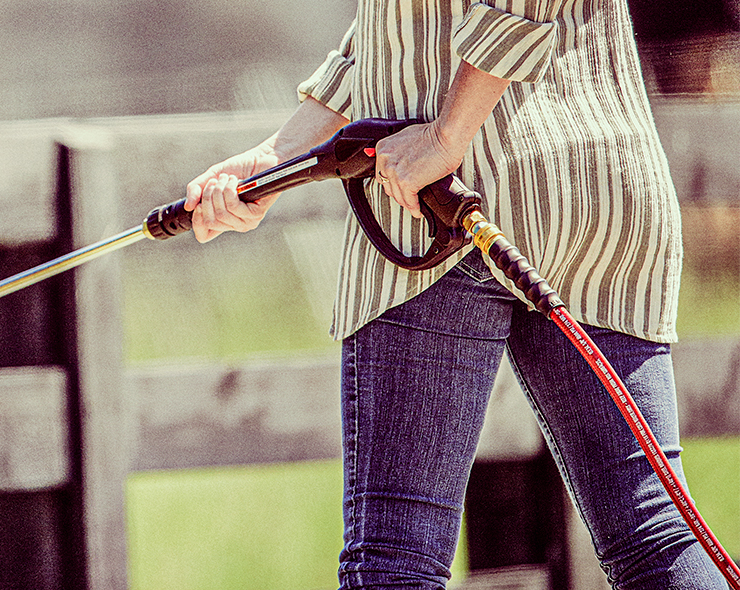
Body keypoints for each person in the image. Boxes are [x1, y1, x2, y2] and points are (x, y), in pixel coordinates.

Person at [184, 1, 727, 588]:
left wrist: (450, 133)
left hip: (444, 197)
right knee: (653, 537)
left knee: (396, 560)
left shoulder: (450, 151)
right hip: (600, 184)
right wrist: (279, 156)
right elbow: (400, 24)